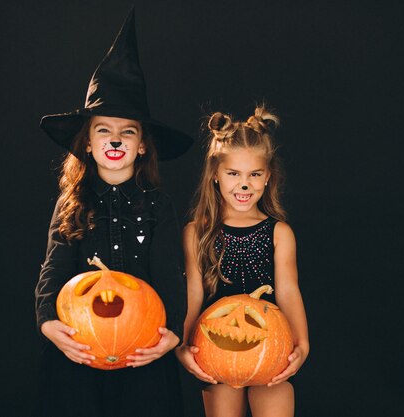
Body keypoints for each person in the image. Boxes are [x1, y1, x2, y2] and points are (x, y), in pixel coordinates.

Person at [34, 7, 192, 417]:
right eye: (104, 130)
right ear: (88, 143)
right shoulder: (71, 201)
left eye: (128, 131)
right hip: (80, 349)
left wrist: (173, 331)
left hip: (144, 349)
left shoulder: (159, 204)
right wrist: (48, 321)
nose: (115, 140)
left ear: (142, 145)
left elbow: (171, 273)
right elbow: (54, 267)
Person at [176, 106, 309, 417]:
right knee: (221, 396)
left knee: (276, 390)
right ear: (215, 176)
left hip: (269, 344)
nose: (244, 185)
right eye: (233, 174)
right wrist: (183, 346)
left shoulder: (279, 233)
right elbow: (194, 292)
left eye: (254, 174)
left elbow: (288, 291)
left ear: (268, 177)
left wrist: (302, 345)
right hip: (216, 347)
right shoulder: (197, 232)